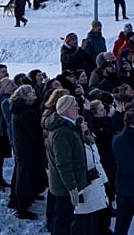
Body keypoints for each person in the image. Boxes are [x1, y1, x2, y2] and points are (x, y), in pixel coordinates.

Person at [43, 94, 86, 235]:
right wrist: (72, 186)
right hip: (64, 188)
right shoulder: (61, 132)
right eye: (74, 106)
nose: (78, 108)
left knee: (67, 219)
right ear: (66, 109)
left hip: (65, 185)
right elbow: (63, 164)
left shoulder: (69, 127)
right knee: (63, 221)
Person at [9, 83, 46, 220]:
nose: (34, 93)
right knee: (24, 176)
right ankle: (21, 207)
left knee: (23, 173)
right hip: (27, 148)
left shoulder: (21, 109)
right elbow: (35, 132)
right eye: (31, 92)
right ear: (24, 95)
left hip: (23, 147)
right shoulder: (25, 112)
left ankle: (21, 198)